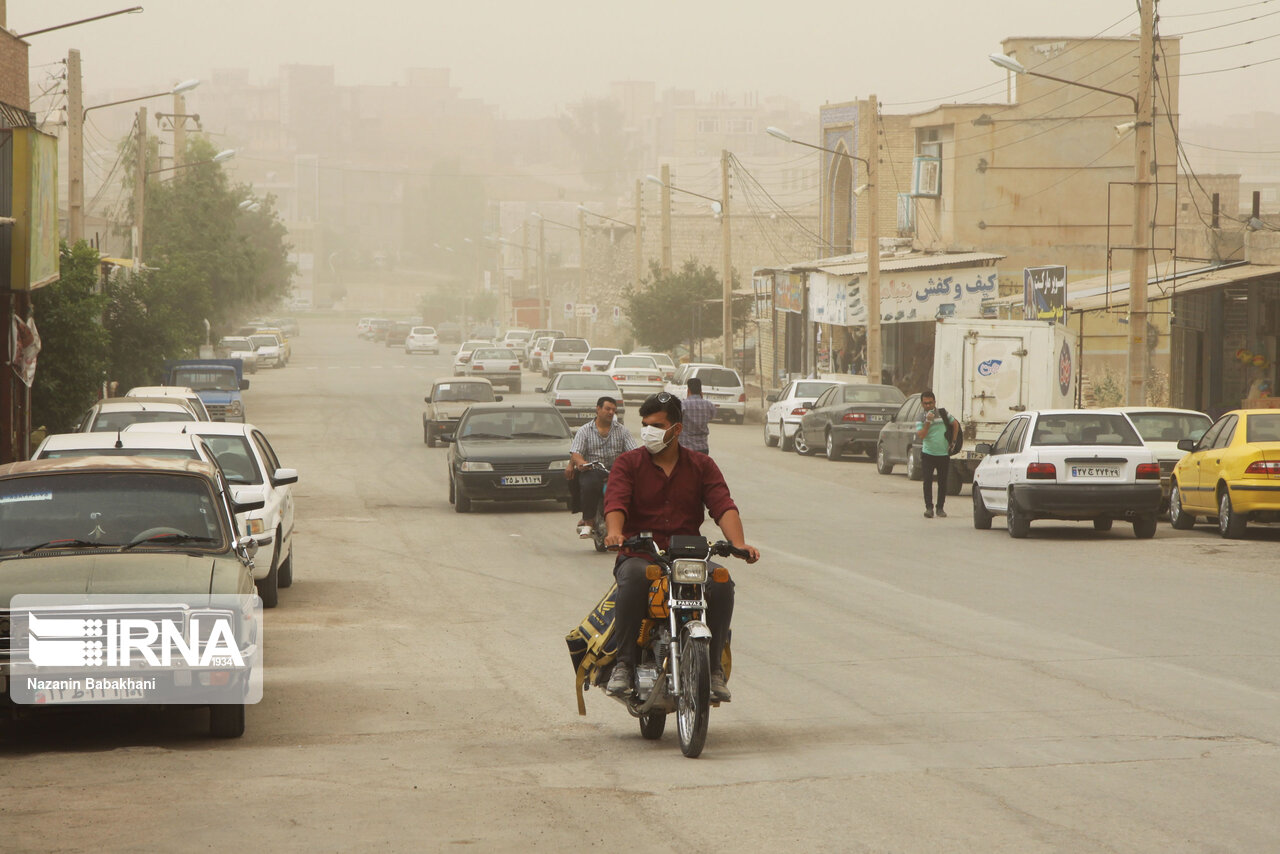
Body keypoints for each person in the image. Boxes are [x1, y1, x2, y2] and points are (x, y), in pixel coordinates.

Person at [602, 392, 760, 702]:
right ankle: (624, 663)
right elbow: (616, 500)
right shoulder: (628, 463)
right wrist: (615, 533)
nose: (649, 432)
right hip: (640, 555)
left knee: (722, 581)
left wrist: (738, 543)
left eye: (657, 425)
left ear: (677, 429)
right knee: (633, 578)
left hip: (687, 558)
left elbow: (722, 505)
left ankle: (713, 670)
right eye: (645, 425)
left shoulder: (702, 465)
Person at [566, 397, 637, 537]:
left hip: (617, 471)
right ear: (598, 409)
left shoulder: (622, 431)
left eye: (613, 410)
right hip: (593, 469)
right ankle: (588, 522)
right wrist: (580, 462)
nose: (610, 412)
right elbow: (576, 452)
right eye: (607, 409)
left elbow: (633, 452)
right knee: (589, 484)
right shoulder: (584, 430)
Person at [915, 389, 959, 519]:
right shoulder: (920, 417)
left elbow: (955, 424)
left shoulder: (942, 413)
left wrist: (953, 441)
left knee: (942, 482)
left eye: (930, 403)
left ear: (934, 402)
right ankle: (929, 508)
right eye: (925, 403)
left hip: (943, 454)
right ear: (922, 404)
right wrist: (928, 422)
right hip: (928, 454)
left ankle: (940, 507)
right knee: (927, 481)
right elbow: (922, 435)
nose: (928, 405)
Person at [678, 377, 716, 454]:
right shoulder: (709, 405)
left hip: (685, 448)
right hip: (703, 448)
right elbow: (712, 417)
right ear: (701, 391)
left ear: (688, 390)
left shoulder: (683, 405)